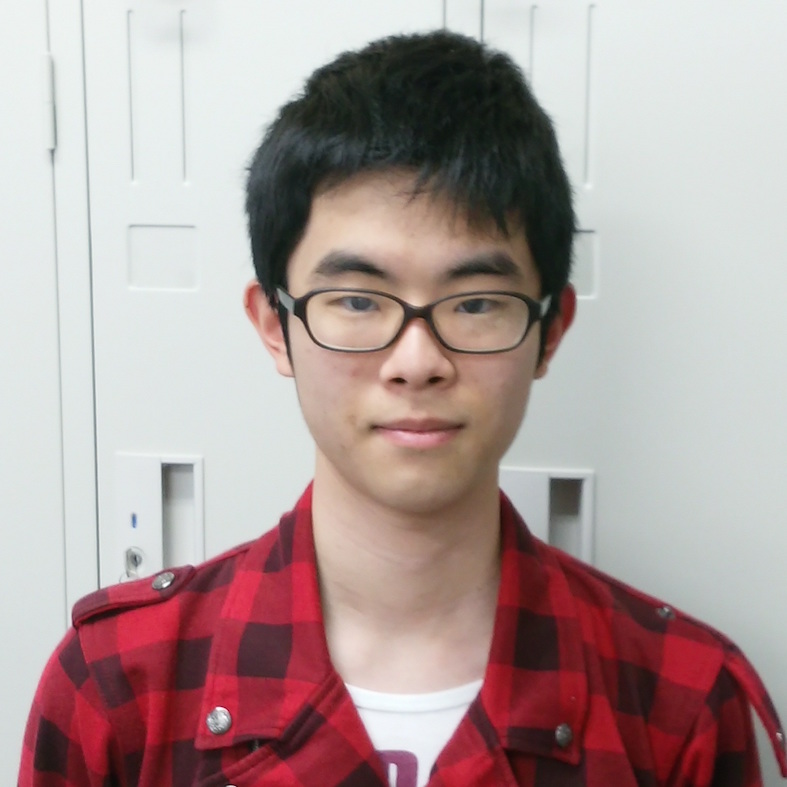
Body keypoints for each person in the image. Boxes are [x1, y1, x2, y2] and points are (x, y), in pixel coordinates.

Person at [19, 29, 787, 787]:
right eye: (357, 299)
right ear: (275, 326)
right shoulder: (117, 686)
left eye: (475, 302)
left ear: (549, 331)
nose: (416, 361)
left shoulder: (679, 702)